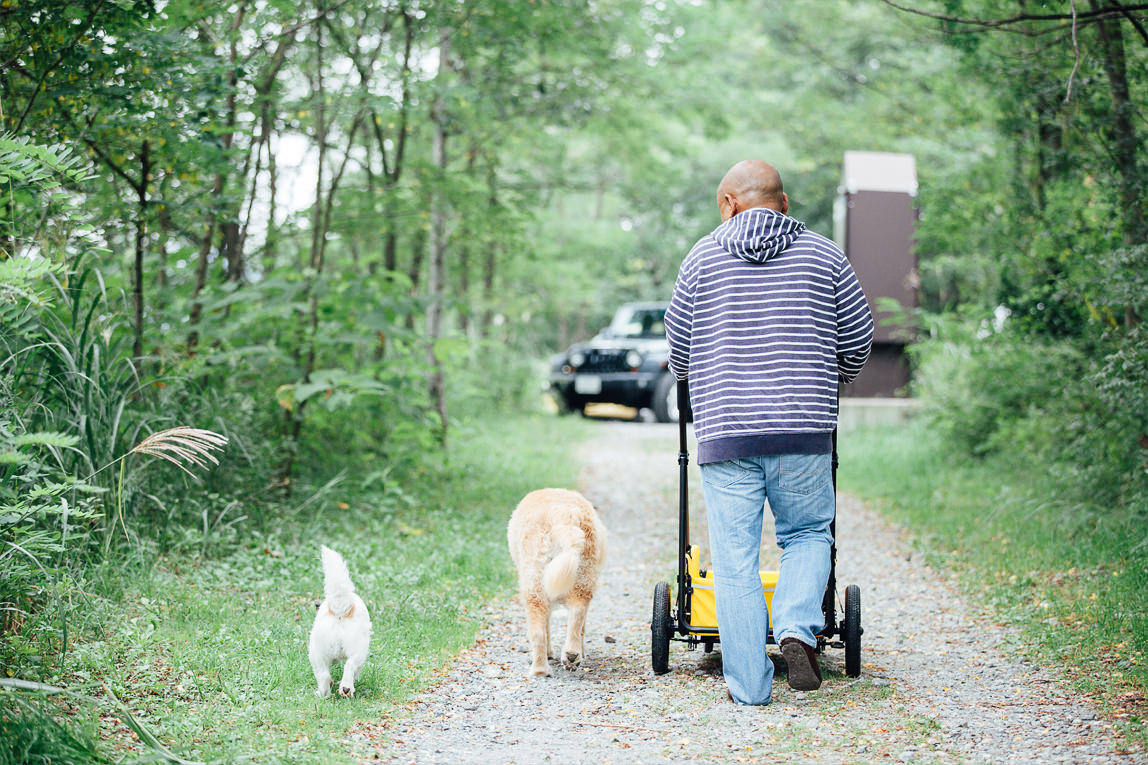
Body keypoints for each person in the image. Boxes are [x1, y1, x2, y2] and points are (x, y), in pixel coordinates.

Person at [664, 160, 874, 705]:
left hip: (727, 431)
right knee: (806, 534)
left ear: (728, 202)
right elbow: (857, 339)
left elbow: (679, 354)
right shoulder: (826, 255)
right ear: (782, 203)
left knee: (733, 558)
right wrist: (829, 379)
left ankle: (750, 689)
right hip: (804, 429)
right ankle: (797, 630)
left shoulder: (701, 259)